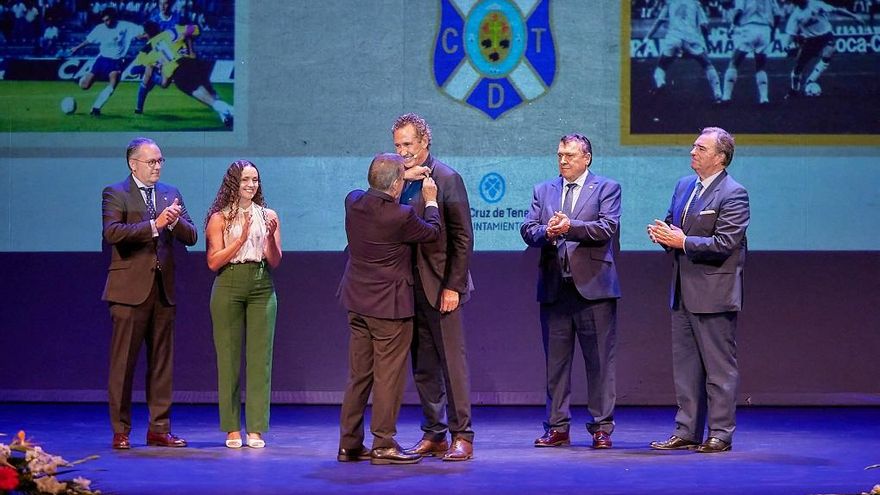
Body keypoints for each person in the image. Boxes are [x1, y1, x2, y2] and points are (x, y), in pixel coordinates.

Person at [647, 127, 749, 454]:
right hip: (682, 292)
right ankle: (687, 430)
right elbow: (672, 225)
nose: (693, 152)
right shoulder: (683, 186)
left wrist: (683, 241)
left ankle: (719, 434)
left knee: (719, 370)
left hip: (714, 294)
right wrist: (665, 235)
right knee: (686, 370)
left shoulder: (734, 193)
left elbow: (725, 243)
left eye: (701, 148)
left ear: (720, 157)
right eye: (693, 146)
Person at [337, 153, 441, 466]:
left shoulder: (352, 201)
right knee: (388, 378)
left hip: (357, 303)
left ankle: (350, 444)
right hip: (389, 309)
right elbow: (432, 231)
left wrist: (399, 177)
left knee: (359, 376)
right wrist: (431, 200)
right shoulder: (401, 216)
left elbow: (372, 190)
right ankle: (383, 444)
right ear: (397, 185)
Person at [520, 133, 622, 450]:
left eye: (570, 155)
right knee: (556, 365)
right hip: (555, 289)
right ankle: (557, 427)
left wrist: (570, 226)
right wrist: (546, 231)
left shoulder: (607, 188)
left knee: (600, 364)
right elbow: (527, 229)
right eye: (560, 155)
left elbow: (608, 227)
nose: (563, 160)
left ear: (586, 158)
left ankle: (601, 428)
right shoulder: (543, 190)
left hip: (594, 291)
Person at [102, 137, 197, 449]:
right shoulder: (115, 193)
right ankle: (121, 430)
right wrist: (154, 225)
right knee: (123, 365)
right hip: (129, 292)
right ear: (133, 164)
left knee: (161, 364)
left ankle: (159, 428)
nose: (157, 166)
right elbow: (113, 233)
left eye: (160, 161)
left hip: (162, 291)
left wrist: (173, 222)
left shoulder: (171, 193)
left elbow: (192, 235)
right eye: (151, 161)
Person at [392, 113, 476, 462]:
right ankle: (434, 434)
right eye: (397, 146)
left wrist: (453, 285)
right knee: (423, 365)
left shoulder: (447, 178)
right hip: (406, 288)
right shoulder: (397, 180)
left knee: (451, 364)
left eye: (408, 144)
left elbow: (462, 237)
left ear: (425, 141)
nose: (403, 151)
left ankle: (462, 435)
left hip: (442, 286)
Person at [205, 160, 282, 449]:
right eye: (245, 180)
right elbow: (213, 262)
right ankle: (232, 428)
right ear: (233, 183)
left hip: (262, 283)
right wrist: (238, 240)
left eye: (255, 180)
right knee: (228, 358)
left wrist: (269, 239)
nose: (251, 185)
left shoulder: (269, 215)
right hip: (229, 283)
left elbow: (275, 260)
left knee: (260, 359)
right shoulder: (220, 218)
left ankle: (257, 428)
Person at [132, 21, 233, 127]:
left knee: (200, 94)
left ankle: (231, 110)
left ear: (145, 34)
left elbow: (134, 70)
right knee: (209, 93)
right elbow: (195, 29)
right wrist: (185, 36)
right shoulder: (170, 31)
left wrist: (155, 68)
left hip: (178, 71)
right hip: (193, 63)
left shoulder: (145, 51)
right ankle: (225, 117)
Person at [639, 0, 722, 102]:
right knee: (707, 64)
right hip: (691, 38)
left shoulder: (670, 2)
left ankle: (660, 82)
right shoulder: (695, 3)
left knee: (661, 65)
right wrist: (707, 42)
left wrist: (646, 39)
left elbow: (659, 21)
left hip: (674, 38)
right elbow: (704, 25)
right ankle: (718, 94)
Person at [69, 7, 143, 116]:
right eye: (104, 21)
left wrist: (144, 36)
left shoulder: (125, 26)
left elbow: (141, 31)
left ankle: (95, 108)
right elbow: (89, 40)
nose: (107, 23)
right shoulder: (100, 28)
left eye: (108, 20)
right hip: (102, 59)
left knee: (113, 83)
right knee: (85, 86)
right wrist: (77, 48)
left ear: (114, 18)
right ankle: (80, 79)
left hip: (116, 61)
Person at [782, 0, 863, 97]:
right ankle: (794, 90)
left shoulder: (815, 4)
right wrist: (786, 46)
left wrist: (854, 16)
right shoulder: (795, 16)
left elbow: (836, 10)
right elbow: (790, 34)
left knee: (828, 54)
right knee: (799, 66)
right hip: (810, 40)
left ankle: (810, 81)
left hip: (826, 36)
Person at [720, 0, 782, 105]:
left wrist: (732, 27)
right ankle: (764, 98)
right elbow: (778, 15)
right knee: (760, 66)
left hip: (749, 28)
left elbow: (739, 11)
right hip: (765, 29)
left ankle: (726, 97)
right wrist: (773, 30)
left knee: (734, 62)